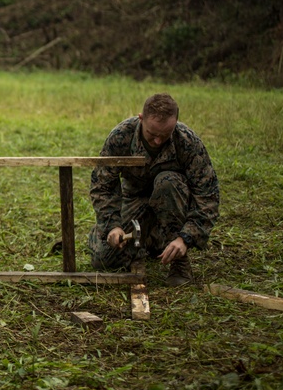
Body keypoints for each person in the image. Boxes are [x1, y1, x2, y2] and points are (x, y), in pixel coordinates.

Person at [88, 93, 219, 286]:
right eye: (152, 134)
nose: (158, 141)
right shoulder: (121, 136)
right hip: (135, 201)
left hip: (173, 202)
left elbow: (208, 196)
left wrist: (186, 238)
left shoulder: (188, 142)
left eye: (164, 135)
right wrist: (112, 225)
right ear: (141, 118)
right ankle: (151, 239)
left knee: (167, 182)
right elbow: (102, 185)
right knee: (103, 259)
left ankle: (178, 260)